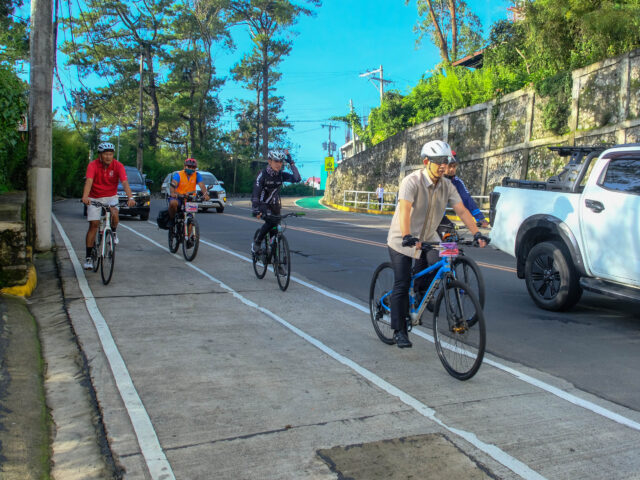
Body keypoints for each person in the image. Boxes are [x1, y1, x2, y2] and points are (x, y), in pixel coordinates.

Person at [387, 140, 490, 349]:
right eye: (439, 162)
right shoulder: (411, 181)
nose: (444, 166)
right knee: (402, 282)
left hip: (430, 237)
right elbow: (405, 209)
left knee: (445, 259)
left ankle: (421, 294)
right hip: (402, 239)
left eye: (447, 161)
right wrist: (407, 235)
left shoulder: (447, 185)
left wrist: (477, 232)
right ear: (426, 162)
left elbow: (461, 209)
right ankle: (399, 330)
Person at [81, 142, 135, 270]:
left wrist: (130, 197)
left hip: (111, 196)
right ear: (100, 155)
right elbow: (89, 181)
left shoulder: (118, 166)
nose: (108, 157)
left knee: (115, 213)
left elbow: (125, 182)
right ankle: (88, 258)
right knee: (94, 225)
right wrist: (85, 196)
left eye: (110, 154)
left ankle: (114, 232)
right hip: (94, 197)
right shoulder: (93, 165)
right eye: (105, 154)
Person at [251, 149, 301, 254]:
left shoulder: (281, 175)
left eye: (281, 162)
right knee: (270, 222)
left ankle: (277, 264)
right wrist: (255, 208)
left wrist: (291, 162)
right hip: (262, 204)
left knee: (275, 231)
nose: (279, 164)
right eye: (276, 161)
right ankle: (257, 242)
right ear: (270, 161)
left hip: (275, 205)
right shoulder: (262, 174)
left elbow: (297, 178)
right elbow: (256, 192)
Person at [438, 151, 489, 236]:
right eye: (450, 166)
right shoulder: (435, 179)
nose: (452, 169)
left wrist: (480, 218)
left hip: (440, 219)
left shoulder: (457, 182)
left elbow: (467, 199)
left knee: (451, 239)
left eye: (454, 167)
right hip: (423, 218)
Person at [167, 158, 210, 226]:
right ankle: (171, 220)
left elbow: (202, 185)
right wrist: (172, 193)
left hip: (190, 198)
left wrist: (205, 195)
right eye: (189, 166)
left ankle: (190, 235)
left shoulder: (197, 175)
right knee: (173, 203)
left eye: (193, 167)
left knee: (190, 218)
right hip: (179, 197)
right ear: (184, 167)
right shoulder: (179, 175)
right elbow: (173, 184)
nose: (191, 168)